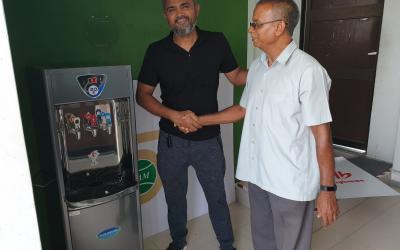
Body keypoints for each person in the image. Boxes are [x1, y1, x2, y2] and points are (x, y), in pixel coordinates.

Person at [197, 0, 340, 249]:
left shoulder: (308, 70)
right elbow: (242, 110)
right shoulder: (258, 67)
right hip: (258, 175)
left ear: (279, 27)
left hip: (290, 181)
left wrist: (327, 190)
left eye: (256, 24)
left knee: (290, 244)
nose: (250, 30)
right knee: (262, 240)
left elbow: (322, 134)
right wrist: (199, 120)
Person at [136, 0, 247, 249]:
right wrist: (175, 116)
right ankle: (178, 241)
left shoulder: (217, 42)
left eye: (184, 6)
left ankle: (227, 245)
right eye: (171, 9)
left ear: (196, 9)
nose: (179, 14)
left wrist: (269, 67)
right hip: (170, 142)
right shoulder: (156, 51)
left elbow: (237, 77)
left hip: (208, 141)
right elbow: (142, 94)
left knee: (217, 197)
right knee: (174, 198)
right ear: (166, 15)